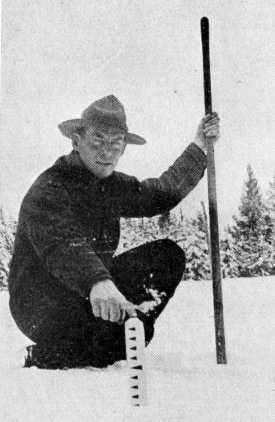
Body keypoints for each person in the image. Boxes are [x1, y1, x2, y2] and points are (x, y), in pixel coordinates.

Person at [8, 95, 220, 369]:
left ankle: (130, 323)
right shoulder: (50, 188)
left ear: (123, 148)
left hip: (93, 291)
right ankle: (48, 353)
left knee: (167, 255)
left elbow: (162, 193)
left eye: (116, 142)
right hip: (42, 307)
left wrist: (200, 147)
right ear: (76, 141)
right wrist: (97, 281)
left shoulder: (113, 185)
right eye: (97, 139)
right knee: (121, 341)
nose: (107, 152)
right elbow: (61, 245)